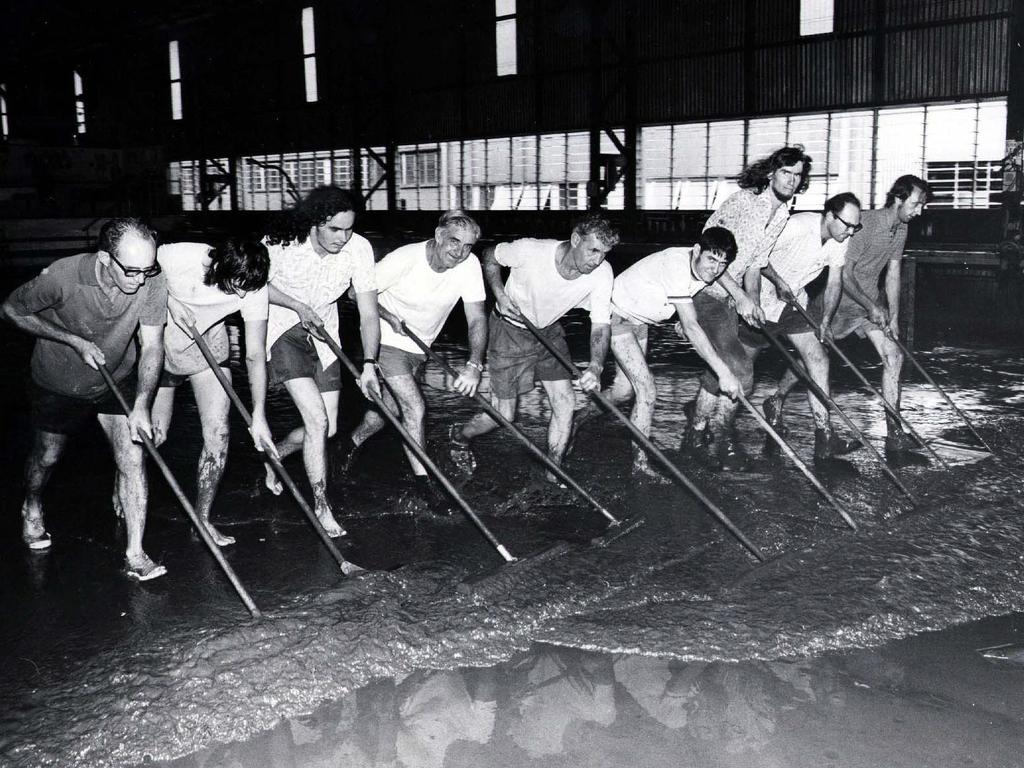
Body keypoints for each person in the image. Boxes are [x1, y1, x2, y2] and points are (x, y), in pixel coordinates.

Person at [2, 218, 168, 580]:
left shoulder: (152, 279)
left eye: (148, 268)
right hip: (58, 381)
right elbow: (12, 310)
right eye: (132, 271)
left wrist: (142, 404)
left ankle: (136, 553)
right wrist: (73, 340)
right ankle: (31, 505)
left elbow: (153, 345)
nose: (141, 279)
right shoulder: (63, 277)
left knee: (133, 457)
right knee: (46, 456)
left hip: (116, 377)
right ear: (105, 259)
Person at [765, 175, 930, 457]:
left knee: (894, 356)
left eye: (922, 206)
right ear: (898, 199)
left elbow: (892, 273)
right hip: (842, 303)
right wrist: (871, 305)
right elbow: (845, 276)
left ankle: (894, 433)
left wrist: (892, 316)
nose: (919, 211)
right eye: (916, 204)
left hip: (869, 308)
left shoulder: (900, 229)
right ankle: (777, 398)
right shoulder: (864, 224)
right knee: (812, 361)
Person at [451, 215, 619, 482]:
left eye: (604, 253)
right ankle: (460, 436)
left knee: (566, 402)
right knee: (503, 415)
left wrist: (596, 366)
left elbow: (600, 324)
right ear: (576, 239)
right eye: (593, 250)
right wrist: (500, 294)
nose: (597, 260)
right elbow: (489, 255)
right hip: (509, 330)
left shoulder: (602, 272)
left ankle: (553, 472)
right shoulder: (530, 250)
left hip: (549, 331)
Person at [344, 211, 487, 513]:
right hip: (386, 341)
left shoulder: (469, 266)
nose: (459, 252)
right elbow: (355, 294)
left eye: (467, 246)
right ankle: (427, 486)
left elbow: (476, 319)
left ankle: (347, 447)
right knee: (415, 407)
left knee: (387, 412)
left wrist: (474, 364)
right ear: (438, 236)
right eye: (454, 242)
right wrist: (387, 315)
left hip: (420, 349)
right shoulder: (405, 259)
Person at [261, 186, 382, 537]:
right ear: (315, 222)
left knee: (327, 430)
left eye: (349, 229)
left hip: (326, 337)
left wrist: (370, 363)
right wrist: (297, 305)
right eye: (335, 230)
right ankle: (322, 506)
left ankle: (276, 453)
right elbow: (254, 284)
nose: (343, 238)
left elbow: (369, 312)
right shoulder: (281, 241)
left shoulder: (358, 248)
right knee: (316, 420)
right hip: (283, 331)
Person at [685, 146, 810, 470]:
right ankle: (719, 440)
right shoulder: (743, 201)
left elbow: (755, 264)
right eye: (786, 173)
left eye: (798, 175)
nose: (792, 181)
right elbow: (710, 254)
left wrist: (752, 303)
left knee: (722, 370)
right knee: (740, 370)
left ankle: (697, 437)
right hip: (704, 289)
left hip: (729, 297)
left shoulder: (781, 213)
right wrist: (740, 297)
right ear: (771, 173)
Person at [148, 238, 277, 547]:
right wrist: (170, 301)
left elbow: (255, 354)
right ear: (219, 264)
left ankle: (202, 520)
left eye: (250, 288)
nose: (244, 295)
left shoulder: (254, 287)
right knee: (154, 436)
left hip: (209, 355)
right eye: (237, 286)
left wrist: (258, 414)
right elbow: (141, 274)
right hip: (162, 354)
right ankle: (123, 479)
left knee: (218, 434)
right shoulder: (180, 256)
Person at [603, 227, 746, 479]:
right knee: (647, 391)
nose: (715, 270)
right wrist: (723, 372)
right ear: (697, 250)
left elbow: (678, 303)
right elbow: (691, 325)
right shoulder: (676, 264)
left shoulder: (701, 267)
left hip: (638, 322)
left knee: (622, 391)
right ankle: (640, 466)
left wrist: (677, 318)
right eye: (711, 260)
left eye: (722, 264)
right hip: (615, 316)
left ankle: (577, 417)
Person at [744, 192, 864, 461]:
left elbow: (834, 283)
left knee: (818, 358)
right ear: (830, 215)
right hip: (757, 299)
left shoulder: (839, 239)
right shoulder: (798, 226)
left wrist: (824, 321)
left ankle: (825, 436)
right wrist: (777, 281)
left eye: (856, 226)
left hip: (792, 303)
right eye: (847, 224)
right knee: (741, 371)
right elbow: (756, 256)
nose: (851, 232)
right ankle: (704, 417)